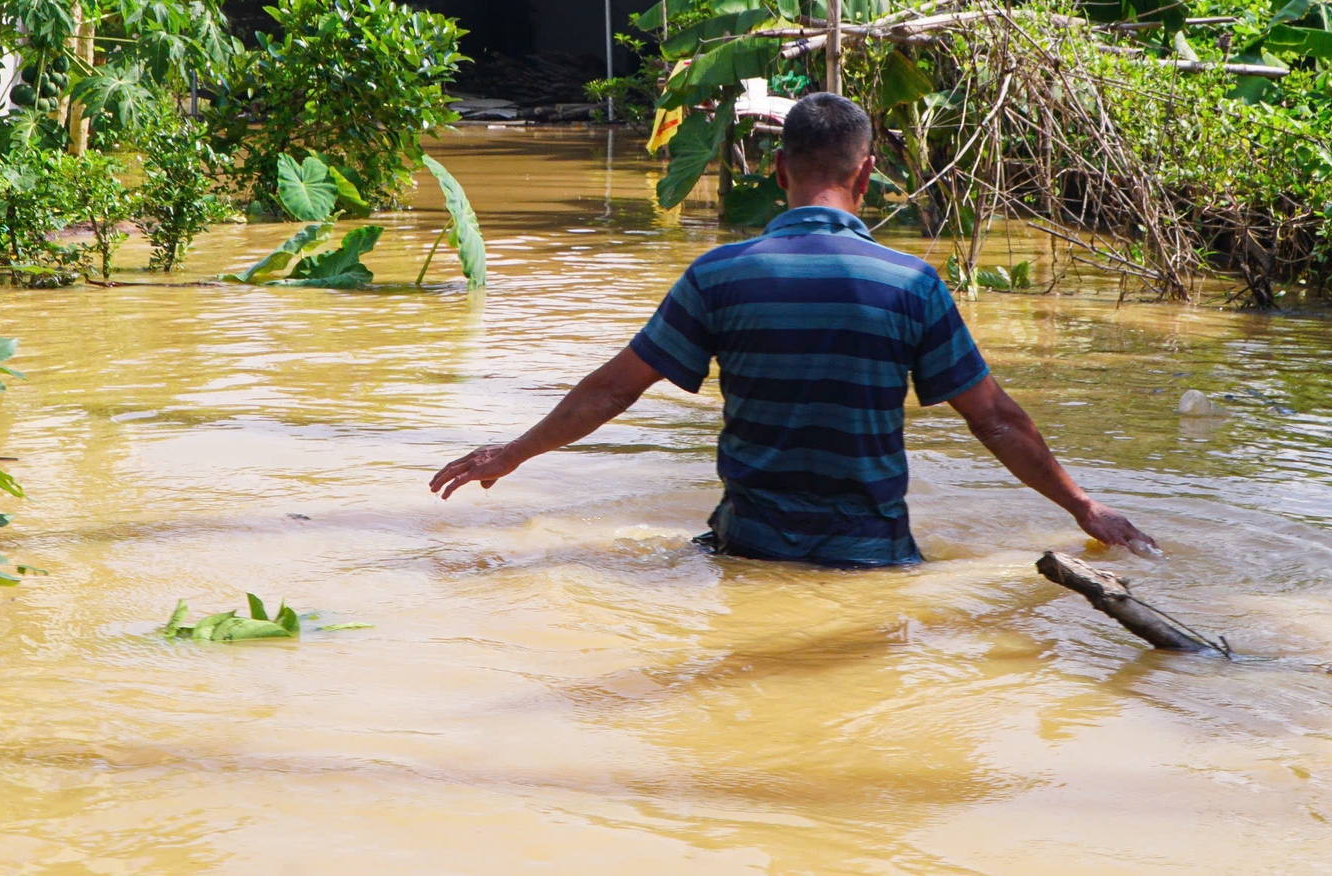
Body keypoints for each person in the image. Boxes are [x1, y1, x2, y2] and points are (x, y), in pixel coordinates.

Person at [430, 92, 1156, 567]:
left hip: (750, 551)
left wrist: (514, 452)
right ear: (866, 174)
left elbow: (614, 389)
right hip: (873, 559)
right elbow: (995, 418)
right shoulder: (911, 284)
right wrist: (1082, 504)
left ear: (777, 171)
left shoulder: (717, 276)